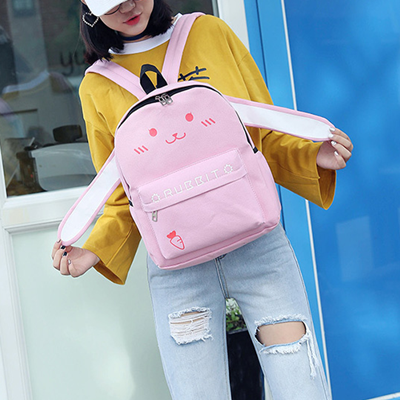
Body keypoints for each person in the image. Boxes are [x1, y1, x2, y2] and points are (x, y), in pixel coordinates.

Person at [52, 1, 353, 399]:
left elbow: (261, 133)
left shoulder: (210, 34)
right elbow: (124, 193)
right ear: (90, 9)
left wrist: (313, 156)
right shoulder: (97, 86)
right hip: (179, 268)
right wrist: (94, 249)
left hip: (257, 247)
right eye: (112, 3)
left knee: (301, 384)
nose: (128, 7)